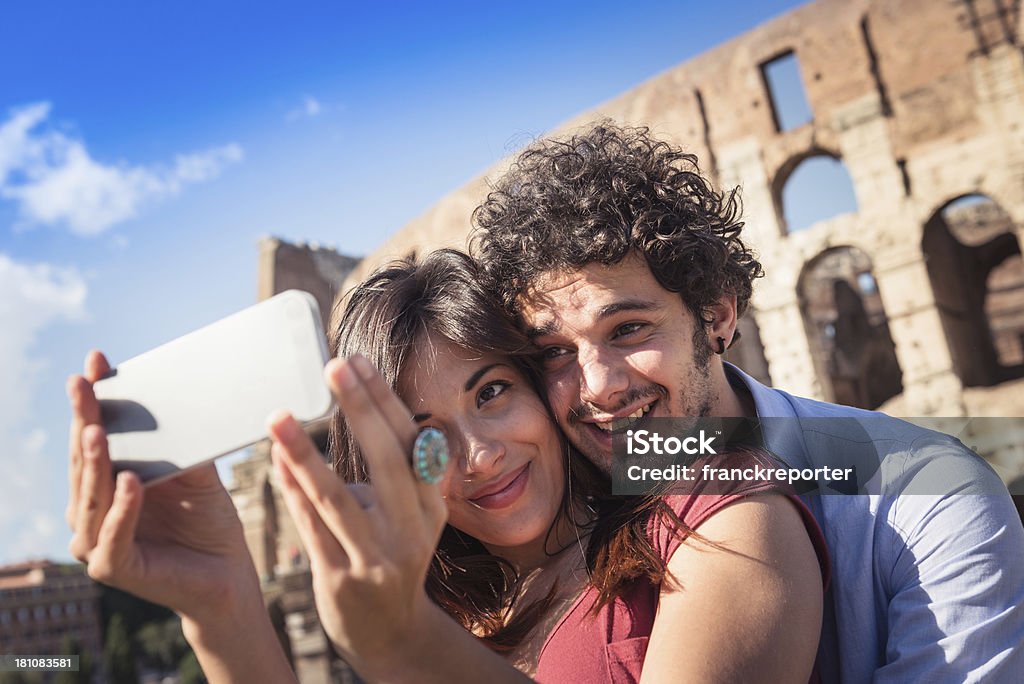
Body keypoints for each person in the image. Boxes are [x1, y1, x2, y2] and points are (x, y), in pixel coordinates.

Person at [66, 249, 826, 682]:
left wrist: (401, 643)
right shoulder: (451, 615)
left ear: (541, 383)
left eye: (492, 392)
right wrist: (221, 606)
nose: (480, 453)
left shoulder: (712, 514)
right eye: (425, 433)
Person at [469, 122, 1024, 682]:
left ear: (717, 315)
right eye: (555, 352)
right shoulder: (545, 519)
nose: (597, 386)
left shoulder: (932, 498)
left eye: (629, 329)